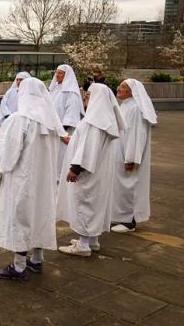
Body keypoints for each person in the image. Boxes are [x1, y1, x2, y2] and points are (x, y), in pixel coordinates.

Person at [0, 78, 67, 280]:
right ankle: (36, 259)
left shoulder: (20, 119)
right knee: (40, 215)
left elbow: (8, 155)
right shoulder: (51, 122)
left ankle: (18, 266)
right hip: (45, 180)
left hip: (22, 179)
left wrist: (0, 163)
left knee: (21, 217)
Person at [56, 83, 126, 256]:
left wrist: (75, 168)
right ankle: (92, 240)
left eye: (88, 94)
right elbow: (88, 144)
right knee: (94, 204)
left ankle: (83, 245)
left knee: (84, 203)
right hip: (100, 172)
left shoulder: (93, 122)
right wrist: (73, 139)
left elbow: (88, 149)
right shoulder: (104, 120)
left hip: (88, 172)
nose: (86, 97)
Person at [111, 79, 157, 233]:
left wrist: (131, 158)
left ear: (132, 91)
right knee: (121, 187)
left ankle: (130, 221)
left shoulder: (136, 108)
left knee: (129, 186)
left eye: (123, 86)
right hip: (120, 152)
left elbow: (137, 135)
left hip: (128, 155)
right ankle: (121, 216)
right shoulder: (126, 105)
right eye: (120, 85)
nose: (119, 88)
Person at [49, 64, 84, 180]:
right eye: (56, 72)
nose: (57, 75)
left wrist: (62, 132)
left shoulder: (71, 93)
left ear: (67, 75)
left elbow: (72, 114)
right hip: (54, 132)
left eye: (60, 73)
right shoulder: (54, 89)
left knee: (62, 159)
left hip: (65, 133)